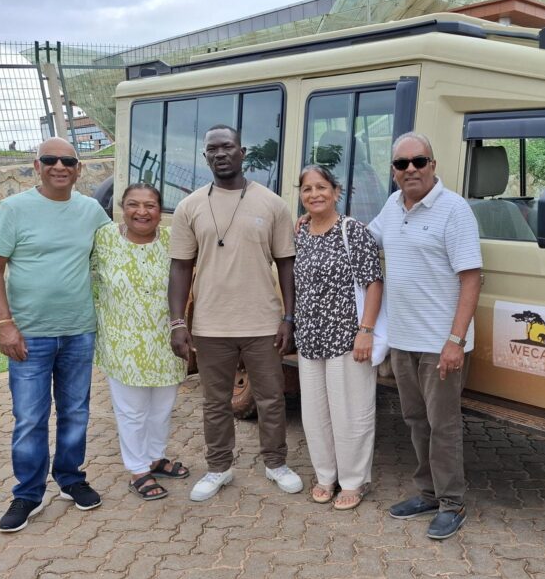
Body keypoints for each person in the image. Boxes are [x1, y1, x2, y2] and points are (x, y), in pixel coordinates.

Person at [168, 124, 302, 501]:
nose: (220, 154)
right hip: (210, 324)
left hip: (262, 322)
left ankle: (276, 463)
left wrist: (288, 317)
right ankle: (218, 467)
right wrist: (177, 322)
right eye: (212, 149)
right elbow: (180, 267)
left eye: (227, 146)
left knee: (271, 399)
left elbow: (287, 264)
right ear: (205, 157)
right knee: (215, 402)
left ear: (242, 152)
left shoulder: (272, 204)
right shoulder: (190, 206)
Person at [0, 137, 110, 533]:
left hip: (78, 331)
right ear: (36, 166)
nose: (60, 166)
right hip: (29, 335)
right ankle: (28, 493)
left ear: (78, 169)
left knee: (75, 412)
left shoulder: (90, 211)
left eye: (68, 161)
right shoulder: (14, 209)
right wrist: (5, 325)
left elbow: (119, 250)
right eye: (50, 160)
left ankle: (71, 479)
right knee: (30, 418)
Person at [371, 132, 482, 539]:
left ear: (433, 165)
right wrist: (319, 222)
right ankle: (428, 493)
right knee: (416, 420)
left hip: (440, 344)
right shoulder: (392, 205)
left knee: (443, 425)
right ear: (394, 172)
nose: (411, 169)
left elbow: (472, 279)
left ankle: (452, 502)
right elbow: (364, 238)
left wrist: (456, 341)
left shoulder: (454, 210)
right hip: (403, 340)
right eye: (402, 164)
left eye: (419, 161)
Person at [294, 165, 383, 510]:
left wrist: (366, 330)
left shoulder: (353, 231)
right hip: (310, 338)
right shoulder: (301, 232)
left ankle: (353, 482)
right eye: (307, 189)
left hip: (347, 339)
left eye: (321, 187)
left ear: (336, 192)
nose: (314, 194)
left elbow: (374, 283)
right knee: (315, 415)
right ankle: (325, 476)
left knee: (351, 414)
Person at [93, 183, 188, 501]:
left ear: (160, 211)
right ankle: (137, 470)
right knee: (132, 411)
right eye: (133, 204)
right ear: (122, 207)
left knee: (162, 408)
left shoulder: (174, 239)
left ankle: (155, 458)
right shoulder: (104, 238)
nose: (142, 212)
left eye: (150, 205)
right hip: (122, 341)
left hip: (167, 338)